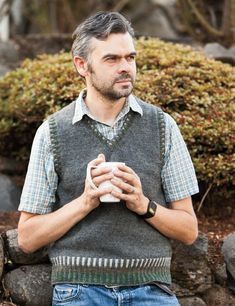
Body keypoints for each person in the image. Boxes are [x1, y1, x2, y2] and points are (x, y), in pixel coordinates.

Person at [18, 11, 199, 306]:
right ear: (82, 65)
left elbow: (189, 230)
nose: (125, 67)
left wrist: (144, 204)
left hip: (151, 290)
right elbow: (27, 238)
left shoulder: (162, 126)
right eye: (112, 59)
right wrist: (86, 201)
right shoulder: (52, 132)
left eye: (130, 57)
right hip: (79, 290)